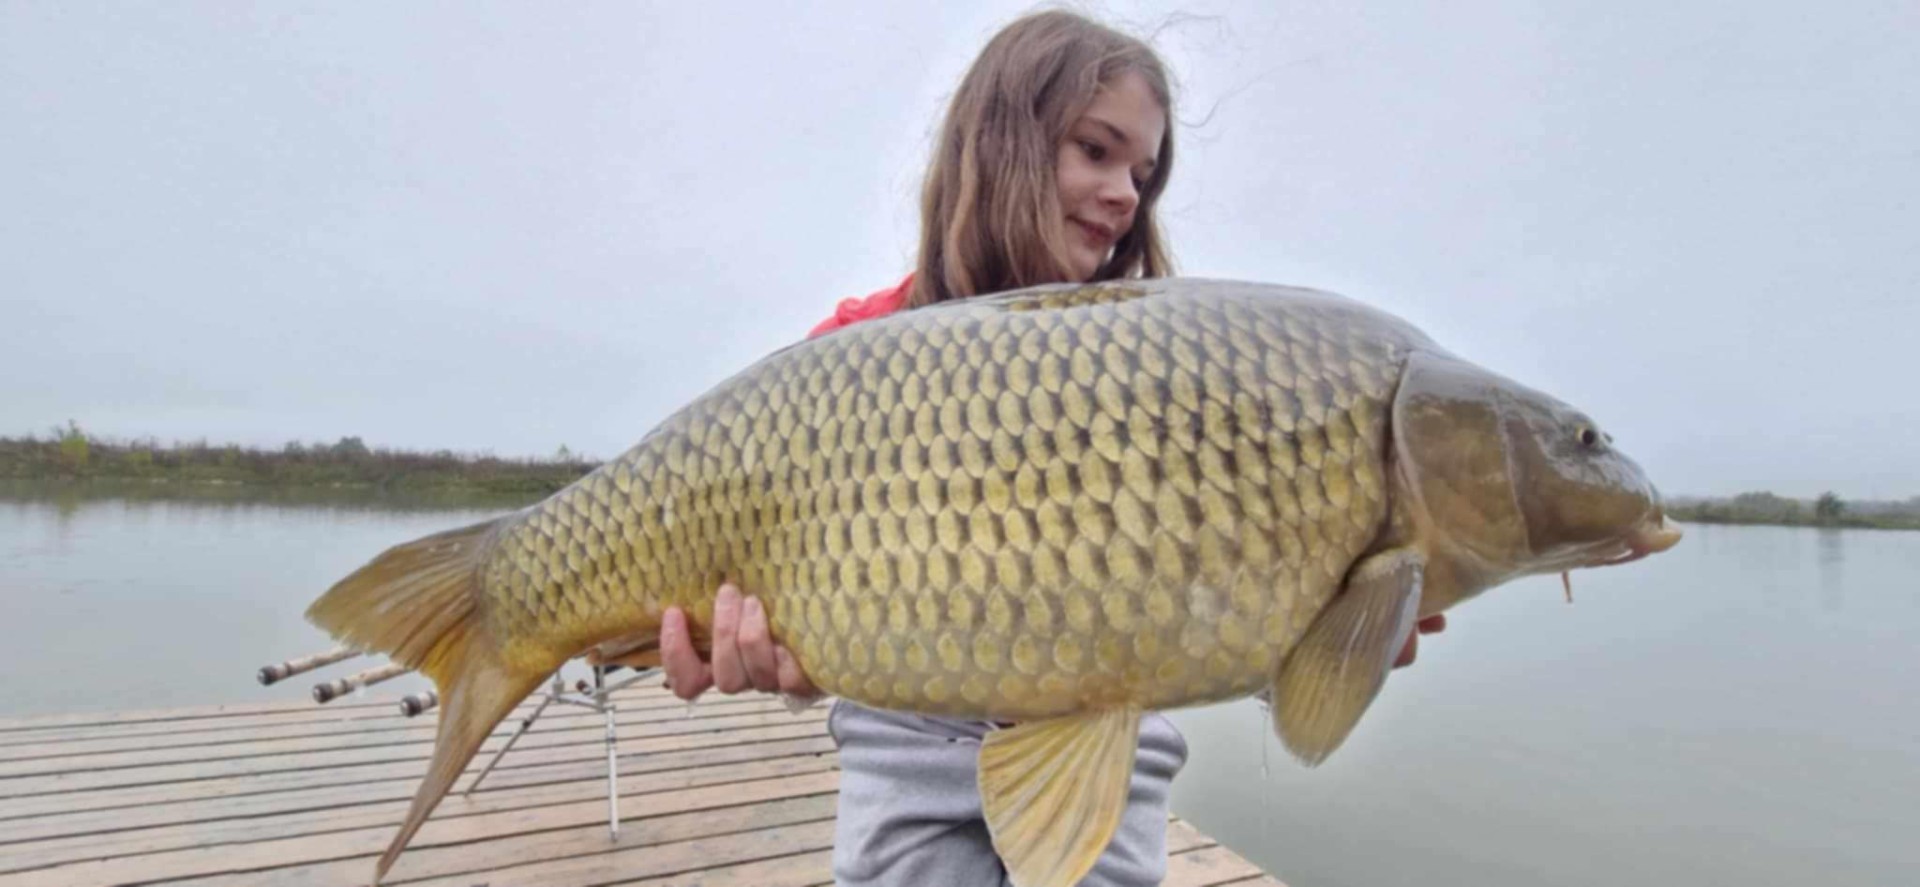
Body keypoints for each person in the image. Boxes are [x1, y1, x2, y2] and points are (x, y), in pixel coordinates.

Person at [657, 10, 1446, 886]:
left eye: (1143, 175)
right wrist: (783, 659)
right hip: (908, 733)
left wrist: (1329, 636)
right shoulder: (855, 353)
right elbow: (797, 605)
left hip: (1108, 725)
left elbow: (1212, 598)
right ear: (999, 145)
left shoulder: (1173, 361)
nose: (1125, 195)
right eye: (1096, 151)